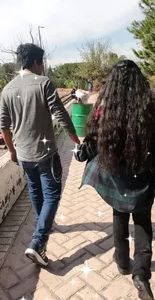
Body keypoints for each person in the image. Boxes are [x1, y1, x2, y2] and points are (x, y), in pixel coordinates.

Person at [75, 60, 155, 300]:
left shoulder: (105, 107)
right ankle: (141, 275)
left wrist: (85, 151)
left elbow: (94, 138)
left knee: (119, 215)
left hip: (116, 175)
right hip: (143, 173)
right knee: (142, 222)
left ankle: (122, 262)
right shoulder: (149, 105)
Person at [0, 43, 80, 267]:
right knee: (52, 195)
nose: (43, 66)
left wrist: (12, 151)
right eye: (42, 62)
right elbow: (61, 114)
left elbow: (4, 126)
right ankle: (38, 242)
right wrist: (75, 138)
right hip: (46, 154)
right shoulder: (43, 83)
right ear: (36, 62)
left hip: (24, 155)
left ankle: (41, 226)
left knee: (35, 191)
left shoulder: (7, 89)